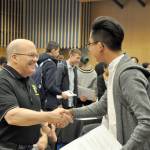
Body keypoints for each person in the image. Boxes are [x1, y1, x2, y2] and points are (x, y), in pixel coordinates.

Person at [65, 16, 150, 150]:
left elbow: (146, 121)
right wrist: (71, 112)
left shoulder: (127, 74)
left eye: (89, 44)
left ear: (100, 46)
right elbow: (102, 106)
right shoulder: (114, 69)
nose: (89, 49)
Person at [0, 39, 72, 150]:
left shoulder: (29, 80)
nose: (35, 60)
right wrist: (50, 116)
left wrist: (45, 130)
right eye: (31, 55)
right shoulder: (3, 80)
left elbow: (35, 110)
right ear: (14, 57)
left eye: (36, 56)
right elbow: (12, 116)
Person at [36, 41, 68, 111]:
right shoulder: (50, 64)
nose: (58, 54)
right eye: (58, 51)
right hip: (48, 101)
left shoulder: (40, 61)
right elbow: (49, 85)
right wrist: (61, 93)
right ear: (53, 50)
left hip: (39, 98)